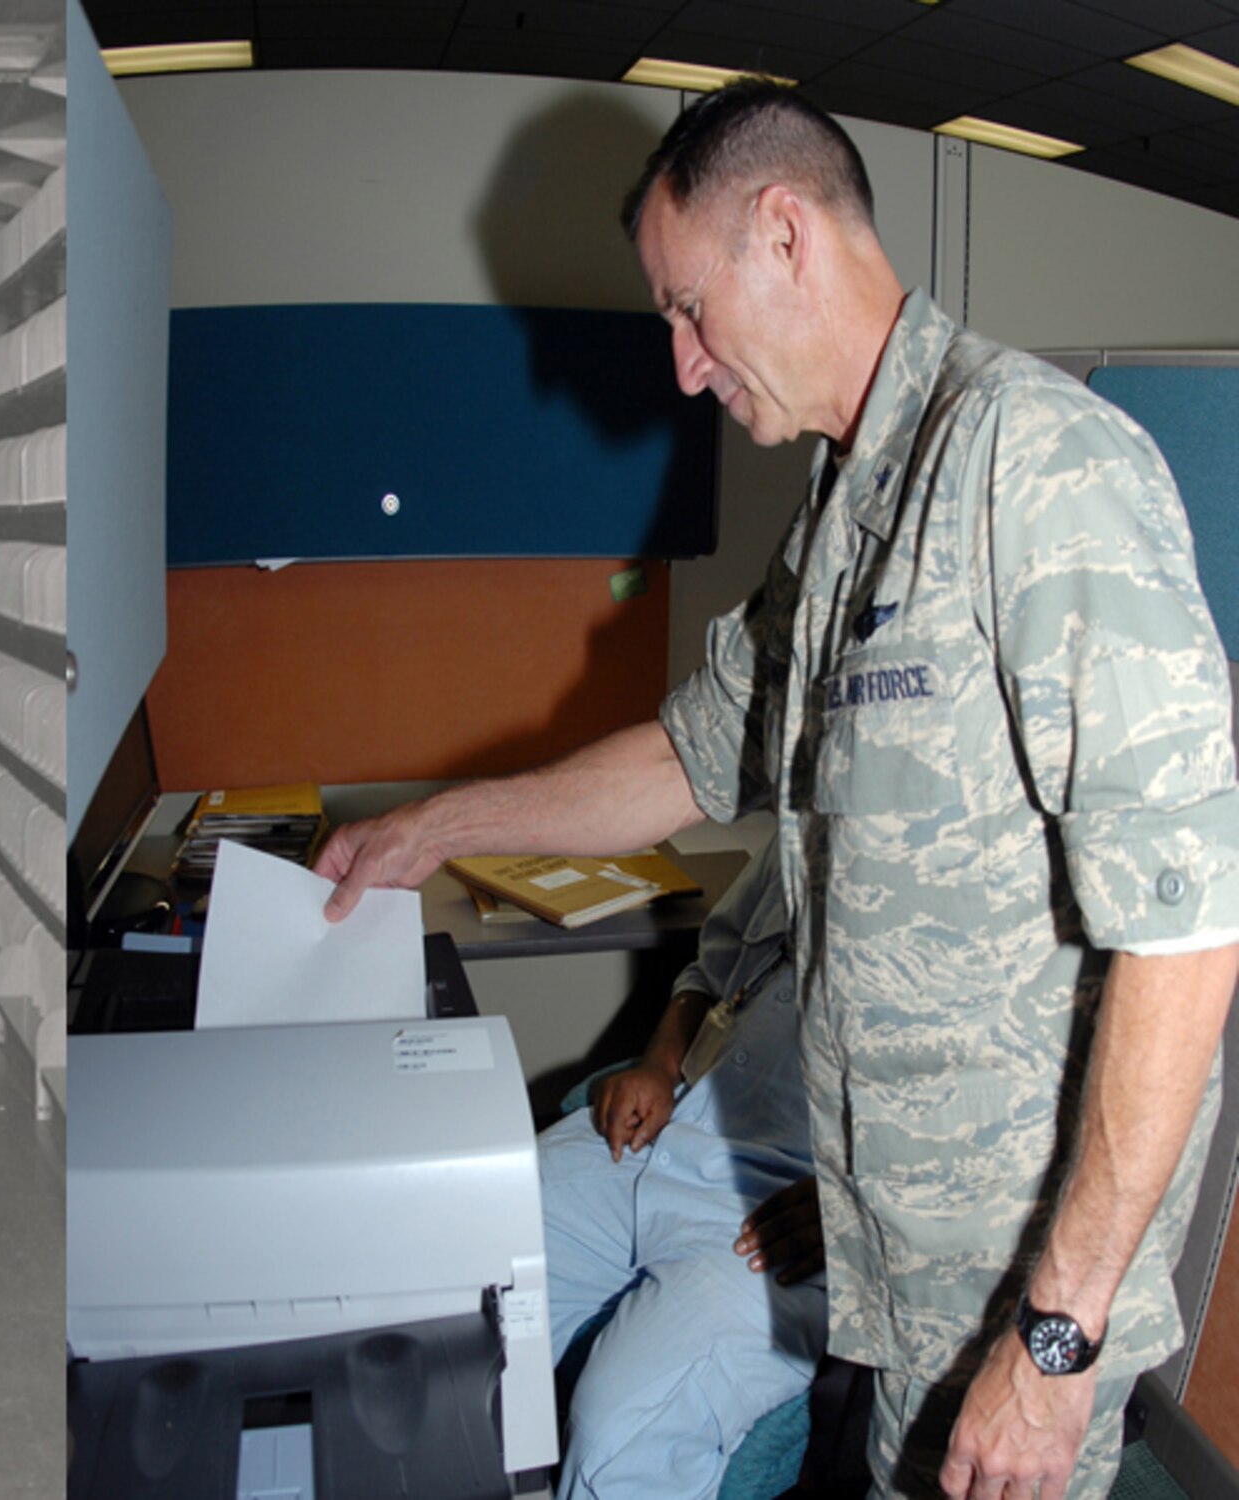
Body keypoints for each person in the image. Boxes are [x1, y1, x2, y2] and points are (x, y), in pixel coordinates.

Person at [318, 79, 1239, 1500]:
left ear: (787, 233)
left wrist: (1056, 1338)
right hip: (889, 1259)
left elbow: (1184, 938)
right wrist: (433, 828)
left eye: (689, 309)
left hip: (1007, 1289)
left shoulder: (1032, 464)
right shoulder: (845, 515)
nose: (683, 367)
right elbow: (686, 757)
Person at [543, 838, 826, 1499]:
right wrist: (660, 1066)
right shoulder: (804, 821)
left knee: (618, 1429)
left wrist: (867, 1209)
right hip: (682, 1129)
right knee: (458, 1251)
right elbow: (710, 974)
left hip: (794, 1216)